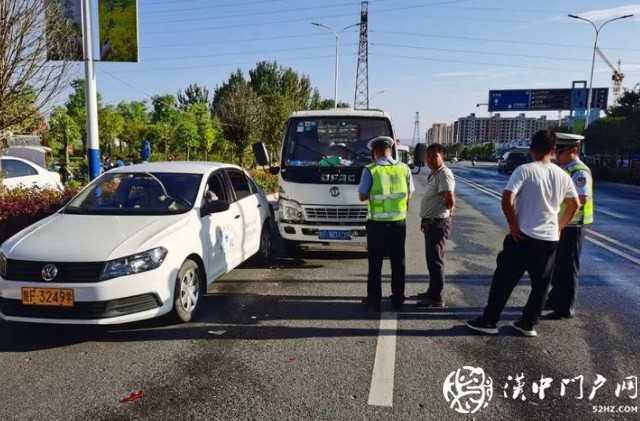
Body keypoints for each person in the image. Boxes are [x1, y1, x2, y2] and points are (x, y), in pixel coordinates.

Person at [466, 130, 580, 337]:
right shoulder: (562, 175)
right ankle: (528, 324)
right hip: (549, 239)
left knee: (503, 281)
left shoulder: (525, 170)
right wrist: (560, 226)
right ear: (553, 150)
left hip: (523, 237)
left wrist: (513, 225)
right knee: (541, 285)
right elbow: (575, 204)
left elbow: (507, 197)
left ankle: (489, 321)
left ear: (531, 149)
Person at [358, 136, 415, 312]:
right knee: (398, 262)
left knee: (375, 264)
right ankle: (398, 299)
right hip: (398, 223)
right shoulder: (404, 169)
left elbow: (362, 196)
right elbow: (409, 193)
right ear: (390, 150)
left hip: (377, 225)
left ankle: (374, 301)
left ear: (374, 153)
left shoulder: (370, 170)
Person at [544, 134, 593, 320]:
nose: (557, 153)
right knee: (557, 265)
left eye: (561, 150)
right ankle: (554, 298)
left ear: (574, 150)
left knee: (568, 266)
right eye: (556, 149)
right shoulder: (565, 169)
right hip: (562, 223)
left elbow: (581, 199)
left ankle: (565, 307)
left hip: (573, 225)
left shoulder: (579, 171)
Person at [416, 143, 455, 308]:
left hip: (437, 224)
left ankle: (436, 298)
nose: (430, 160)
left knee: (436, 261)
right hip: (431, 222)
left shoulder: (444, 174)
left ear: (442, 157)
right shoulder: (435, 174)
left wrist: (439, 217)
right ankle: (432, 291)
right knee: (431, 260)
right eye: (428, 156)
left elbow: (450, 200)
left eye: (434, 156)